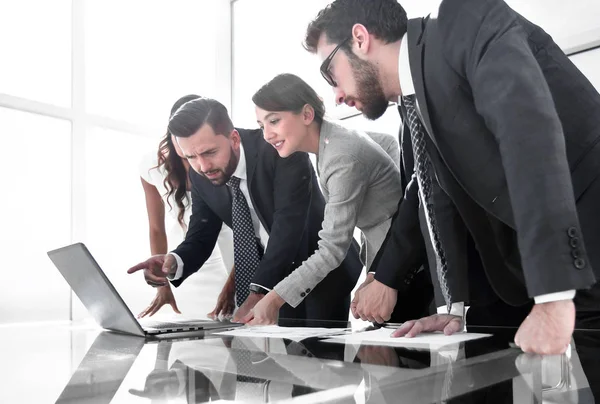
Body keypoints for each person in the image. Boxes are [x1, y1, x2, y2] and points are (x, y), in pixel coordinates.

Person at [303, 0, 600, 354]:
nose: (335, 96)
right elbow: (436, 197)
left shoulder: (466, 19)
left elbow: (528, 134)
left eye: (330, 73)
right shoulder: (415, 99)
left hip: (584, 225)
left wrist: (552, 293)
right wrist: (451, 306)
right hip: (544, 266)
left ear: (360, 37)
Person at [128, 97, 363, 322]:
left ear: (234, 139)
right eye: (191, 156)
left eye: (210, 152)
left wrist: (258, 291)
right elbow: (201, 234)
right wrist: (174, 261)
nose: (202, 166)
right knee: (290, 358)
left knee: (321, 358)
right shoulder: (199, 173)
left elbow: (287, 228)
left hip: (320, 269)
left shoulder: (279, 149)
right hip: (274, 275)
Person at [244, 73, 432, 325]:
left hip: (406, 264)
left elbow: (332, 248)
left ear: (307, 115)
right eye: (261, 125)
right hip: (389, 255)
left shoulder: (340, 155)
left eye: (274, 121)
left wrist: (274, 298)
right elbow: (386, 143)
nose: (267, 135)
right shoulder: (335, 139)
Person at [138, 94, 234, 319]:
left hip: (232, 261)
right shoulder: (152, 166)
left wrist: (235, 284)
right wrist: (163, 285)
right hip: (186, 263)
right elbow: (156, 229)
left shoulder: (222, 160)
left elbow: (251, 233)